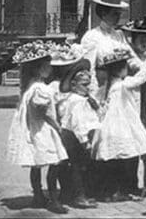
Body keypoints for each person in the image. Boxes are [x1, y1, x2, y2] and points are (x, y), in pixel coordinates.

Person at [7, 41, 69, 214]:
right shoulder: (41, 88)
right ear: (38, 69)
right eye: (46, 66)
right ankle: (53, 200)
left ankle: (38, 195)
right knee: (54, 162)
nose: (50, 69)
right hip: (42, 129)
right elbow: (44, 113)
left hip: (34, 129)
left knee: (37, 164)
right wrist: (57, 126)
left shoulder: (29, 88)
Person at [90, 47, 146, 201]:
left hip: (109, 126)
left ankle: (109, 191)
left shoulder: (106, 87)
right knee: (124, 157)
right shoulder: (123, 84)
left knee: (112, 159)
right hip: (121, 125)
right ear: (121, 69)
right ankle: (120, 190)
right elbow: (143, 76)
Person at [121, 14, 146, 195]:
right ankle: (128, 184)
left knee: (144, 141)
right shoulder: (127, 53)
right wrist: (143, 73)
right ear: (133, 38)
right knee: (129, 141)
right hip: (128, 101)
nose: (145, 42)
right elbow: (135, 72)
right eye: (141, 39)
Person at [55, 58, 100, 209]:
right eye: (84, 85)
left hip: (70, 135)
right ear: (73, 85)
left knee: (74, 166)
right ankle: (79, 196)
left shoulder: (78, 99)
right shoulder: (77, 101)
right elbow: (78, 123)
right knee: (77, 167)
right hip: (74, 137)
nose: (87, 88)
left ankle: (68, 194)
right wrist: (84, 141)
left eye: (89, 84)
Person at [80, 0, 129, 97]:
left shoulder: (119, 35)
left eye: (119, 14)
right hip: (102, 88)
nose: (118, 17)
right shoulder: (92, 36)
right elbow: (89, 68)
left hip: (120, 87)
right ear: (104, 13)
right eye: (115, 14)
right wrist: (94, 95)